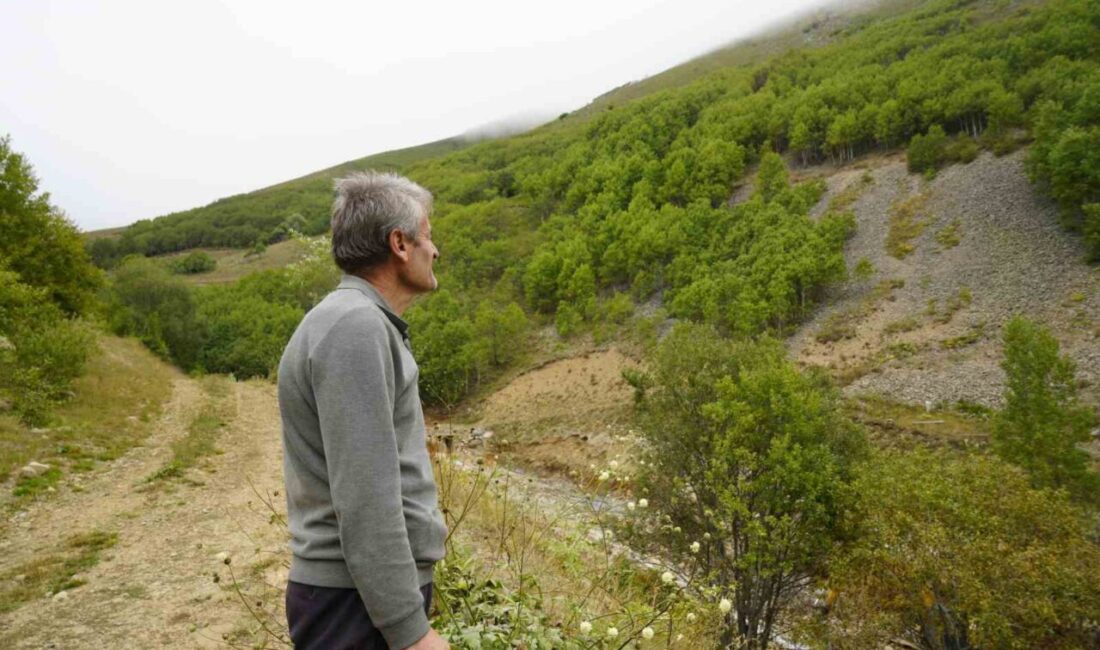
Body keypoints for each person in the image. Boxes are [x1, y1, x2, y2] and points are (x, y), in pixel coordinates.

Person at [277, 171, 450, 650]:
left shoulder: (357, 321)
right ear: (399, 243)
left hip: (359, 596)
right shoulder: (355, 329)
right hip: (353, 604)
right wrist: (411, 632)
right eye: (428, 237)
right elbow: (366, 496)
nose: (434, 252)